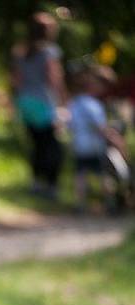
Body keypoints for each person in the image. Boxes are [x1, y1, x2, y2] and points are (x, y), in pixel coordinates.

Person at [11, 11, 66, 199]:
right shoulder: (50, 51)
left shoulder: (20, 51)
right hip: (44, 102)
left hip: (26, 102)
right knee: (52, 146)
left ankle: (36, 183)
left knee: (37, 145)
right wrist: (62, 103)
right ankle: (51, 186)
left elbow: (16, 80)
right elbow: (54, 80)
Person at [68, 66, 129, 213]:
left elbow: (71, 124)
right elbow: (100, 128)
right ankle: (110, 203)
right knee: (103, 174)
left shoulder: (74, 103)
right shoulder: (93, 105)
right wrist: (116, 140)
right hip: (94, 145)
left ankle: (80, 204)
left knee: (80, 174)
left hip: (78, 144)